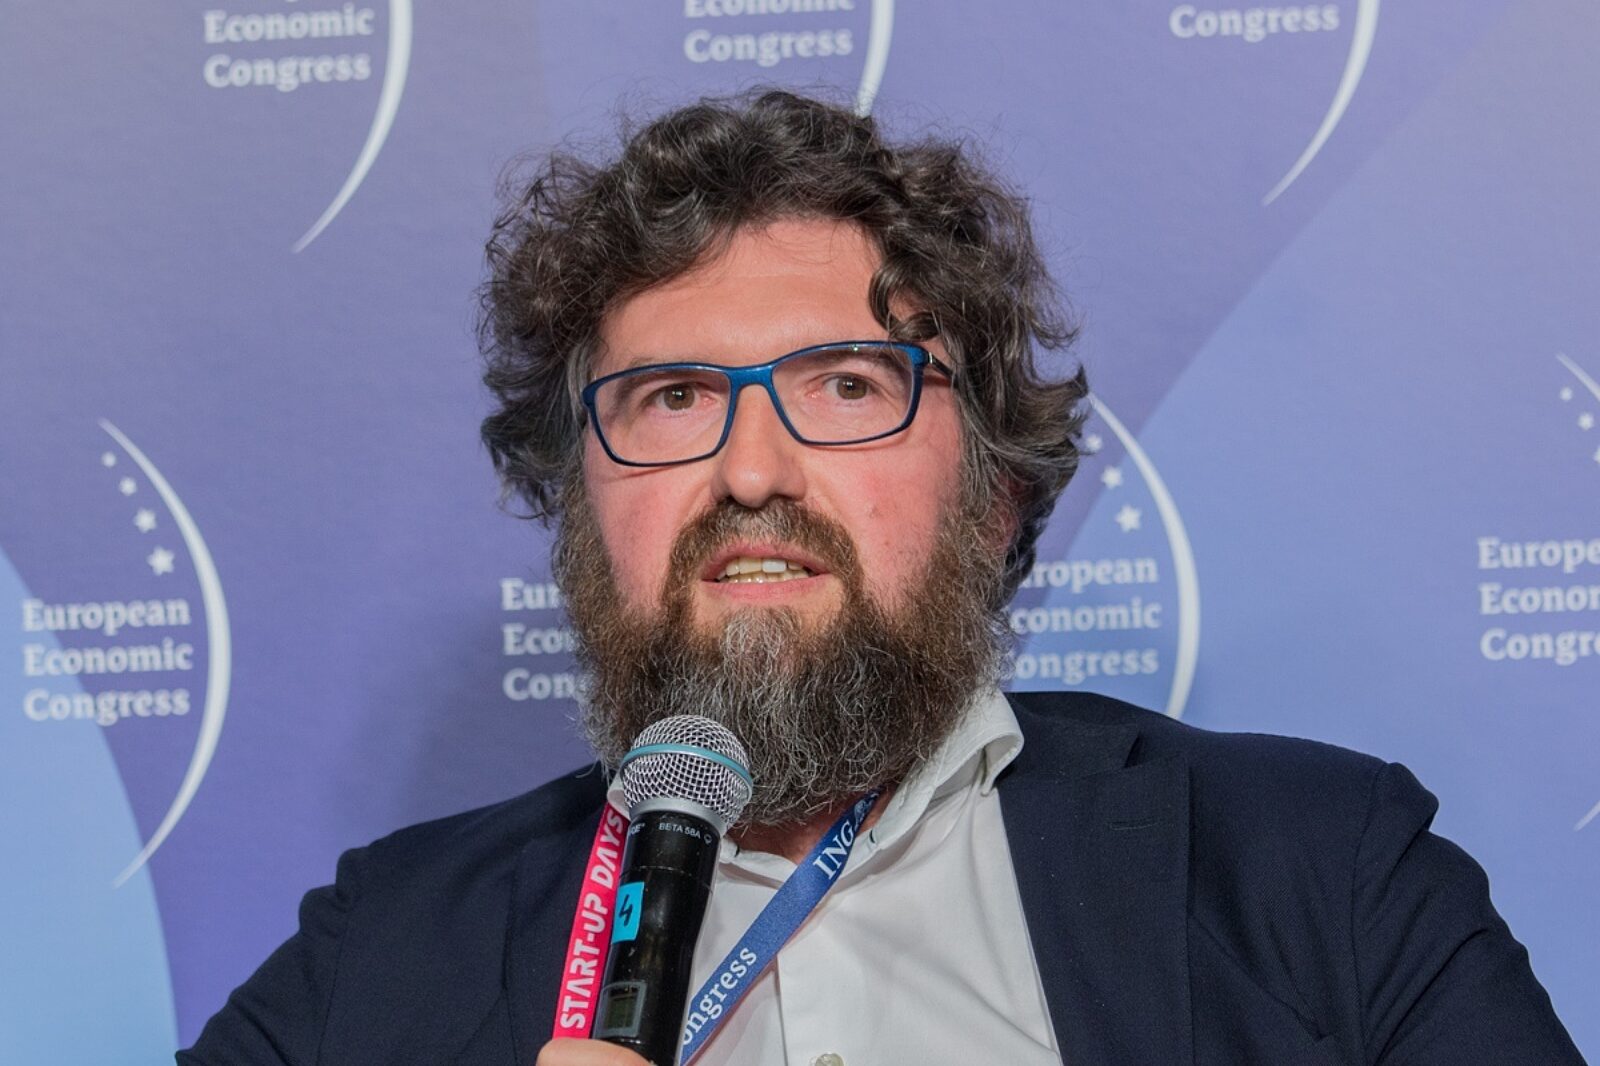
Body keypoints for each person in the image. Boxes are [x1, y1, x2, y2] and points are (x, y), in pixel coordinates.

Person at [180, 90, 1584, 1066]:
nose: (750, 470)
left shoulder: (1323, 872)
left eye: (847, 384)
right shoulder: (382, 953)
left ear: (994, 492)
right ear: (581, 507)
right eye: (673, 398)